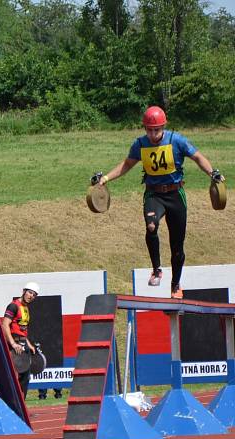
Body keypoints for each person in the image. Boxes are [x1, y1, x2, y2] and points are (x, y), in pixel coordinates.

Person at [94, 106, 223, 299]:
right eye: (149, 130)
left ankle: (175, 284)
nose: (153, 134)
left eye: (157, 130)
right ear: (145, 128)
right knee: (151, 226)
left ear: (163, 126)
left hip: (175, 195)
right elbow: (127, 164)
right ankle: (156, 269)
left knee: (177, 246)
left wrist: (213, 173)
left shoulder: (177, 140)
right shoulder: (140, 144)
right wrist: (105, 179)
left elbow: (197, 156)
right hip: (153, 195)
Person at [1, 282, 40, 398]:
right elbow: (5, 324)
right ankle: (13, 404)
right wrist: (13, 344)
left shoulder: (26, 308)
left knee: (25, 377)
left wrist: (29, 345)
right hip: (15, 344)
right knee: (13, 376)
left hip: (23, 343)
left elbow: (23, 331)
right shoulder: (13, 306)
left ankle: (21, 405)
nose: (31, 296)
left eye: (34, 295)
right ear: (24, 291)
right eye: (29, 292)